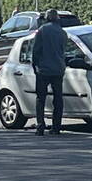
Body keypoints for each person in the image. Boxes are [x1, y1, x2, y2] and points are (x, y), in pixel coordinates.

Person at [31, 8, 67, 136]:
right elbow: (63, 51)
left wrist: (34, 65)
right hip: (58, 69)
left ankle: (40, 126)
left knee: (41, 98)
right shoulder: (62, 33)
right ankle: (56, 126)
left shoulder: (42, 31)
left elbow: (36, 50)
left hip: (44, 69)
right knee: (58, 98)